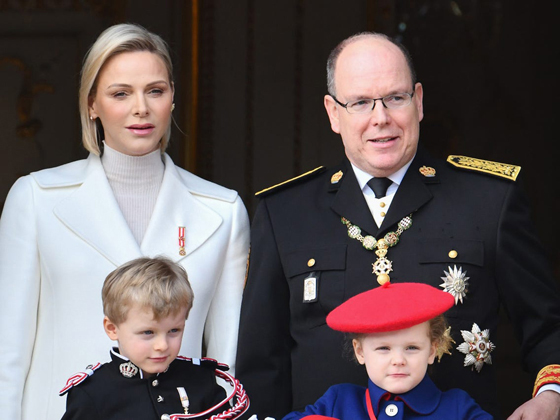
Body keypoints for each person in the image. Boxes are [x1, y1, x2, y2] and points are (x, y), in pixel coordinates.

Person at [236, 31, 560, 420]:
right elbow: (261, 363)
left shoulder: (489, 201)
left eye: (395, 98)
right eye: (360, 102)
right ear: (333, 113)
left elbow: (547, 327)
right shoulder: (284, 212)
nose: (381, 118)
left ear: (419, 101)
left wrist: (550, 397)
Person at [0, 23, 250, 420]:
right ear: (92, 104)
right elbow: (7, 353)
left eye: (155, 90)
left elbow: (227, 358)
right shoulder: (35, 199)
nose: (141, 108)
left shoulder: (223, 210)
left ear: (172, 98)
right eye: (121, 93)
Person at [59, 257, 249, 420]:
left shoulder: (201, 380)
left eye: (174, 330)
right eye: (148, 332)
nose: (162, 345)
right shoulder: (93, 392)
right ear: (112, 328)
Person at [283, 281, 491, 419]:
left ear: (431, 350)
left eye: (412, 347)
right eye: (383, 348)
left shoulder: (458, 408)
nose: (398, 360)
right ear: (360, 352)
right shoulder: (338, 401)